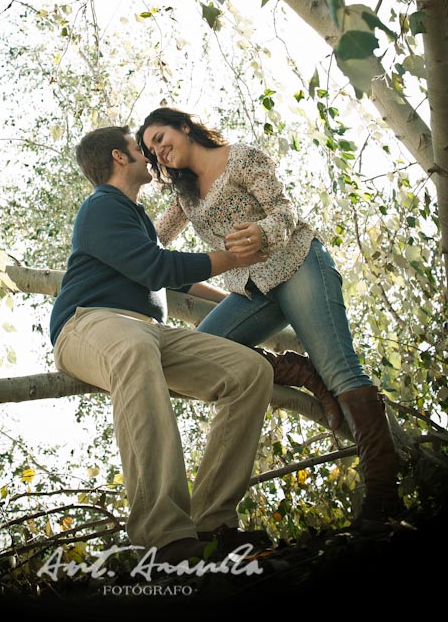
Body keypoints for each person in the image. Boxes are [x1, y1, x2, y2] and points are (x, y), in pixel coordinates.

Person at [49, 125, 337, 566]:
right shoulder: (101, 207)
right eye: (138, 146)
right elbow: (155, 266)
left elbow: (178, 278)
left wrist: (241, 295)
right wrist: (234, 258)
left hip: (149, 333)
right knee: (134, 349)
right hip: (89, 324)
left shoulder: (137, 219)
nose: (150, 155)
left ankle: (212, 523)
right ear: (119, 157)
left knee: (248, 372)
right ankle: (164, 533)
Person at [137, 107, 403, 532]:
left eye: (160, 137)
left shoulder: (241, 157)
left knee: (340, 369)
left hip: (297, 262)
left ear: (183, 127)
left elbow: (285, 212)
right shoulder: (185, 197)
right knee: (198, 355)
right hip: (253, 291)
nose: (159, 150)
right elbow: (151, 241)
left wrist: (263, 233)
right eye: (151, 150)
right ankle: (295, 370)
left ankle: (384, 498)